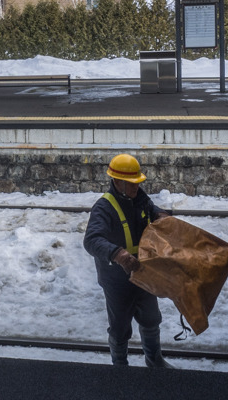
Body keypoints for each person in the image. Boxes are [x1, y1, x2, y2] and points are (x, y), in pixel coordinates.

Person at [83, 153, 174, 368]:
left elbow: (153, 211)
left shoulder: (139, 198)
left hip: (143, 273)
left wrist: (162, 216)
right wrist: (119, 255)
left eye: (137, 183)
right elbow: (91, 240)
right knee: (120, 328)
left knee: (151, 319)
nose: (136, 187)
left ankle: (155, 361)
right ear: (117, 182)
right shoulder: (103, 208)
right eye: (132, 184)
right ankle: (120, 367)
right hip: (117, 280)